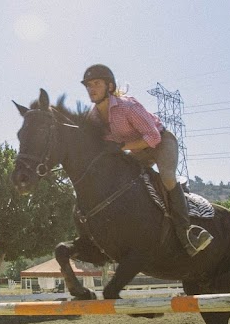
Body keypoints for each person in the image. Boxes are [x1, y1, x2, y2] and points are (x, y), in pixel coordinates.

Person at [81, 63, 213, 256]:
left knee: (167, 177)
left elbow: (153, 137)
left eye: (96, 83)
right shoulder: (92, 118)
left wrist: (122, 147)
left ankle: (188, 232)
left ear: (109, 87)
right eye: (88, 85)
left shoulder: (127, 106)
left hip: (161, 143)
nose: (91, 89)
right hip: (137, 150)